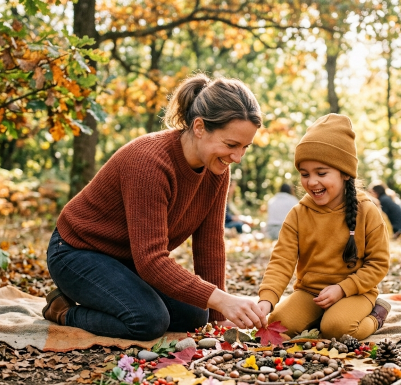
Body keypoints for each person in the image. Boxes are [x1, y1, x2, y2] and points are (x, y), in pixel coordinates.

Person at [43, 73, 268, 341]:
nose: (238, 157)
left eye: (245, 147)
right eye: (231, 144)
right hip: (76, 252)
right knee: (148, 321)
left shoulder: (217, 169)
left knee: (198, 314)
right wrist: (221, 299)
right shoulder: (149, 163)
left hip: (128, 261)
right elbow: (151, 261)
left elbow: (209, 243)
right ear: (199, 127)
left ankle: (111, 296)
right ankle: (63, 311)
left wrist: (218, 317)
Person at [256, 114, 392, 340]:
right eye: (305, 174)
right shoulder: (299, 213)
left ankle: (377, 315)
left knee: (337, 329)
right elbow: (282, 260)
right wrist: (267, 299)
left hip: (355, 291)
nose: (311, 182)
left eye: (321, 173)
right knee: (279, 326)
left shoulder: (367, 211)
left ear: (345, 172)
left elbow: (378, 264)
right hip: (310, 293)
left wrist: (343, 289)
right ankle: (321, 317)